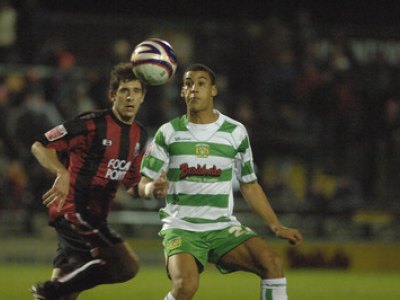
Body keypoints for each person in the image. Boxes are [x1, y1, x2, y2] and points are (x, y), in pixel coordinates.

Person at [138, 63, 303, 300]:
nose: (194, 89)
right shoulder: (168, 132)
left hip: (222, 228)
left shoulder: (235, 132)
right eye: (188, 84)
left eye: (201, 83)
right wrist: (151, 188)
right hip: (182, 228)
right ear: (182, 92)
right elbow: (142, 183)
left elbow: (249, 184)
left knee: (272, 264)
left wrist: (276, 225)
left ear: (213, 90)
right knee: (185, 286)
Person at [30, 62, 148, 300]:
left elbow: (133, 185)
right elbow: (40, 145)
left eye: (136, 91)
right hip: (75, 211)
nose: (130, 97)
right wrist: (61, 173)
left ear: (143, 97)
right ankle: (51, 290)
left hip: (93, 217)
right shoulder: (92, 123)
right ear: (112, 94)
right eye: (124, 90)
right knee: (126, 266)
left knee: (66, 295)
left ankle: (53, 292)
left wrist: (154, 187)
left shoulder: (139, 135)